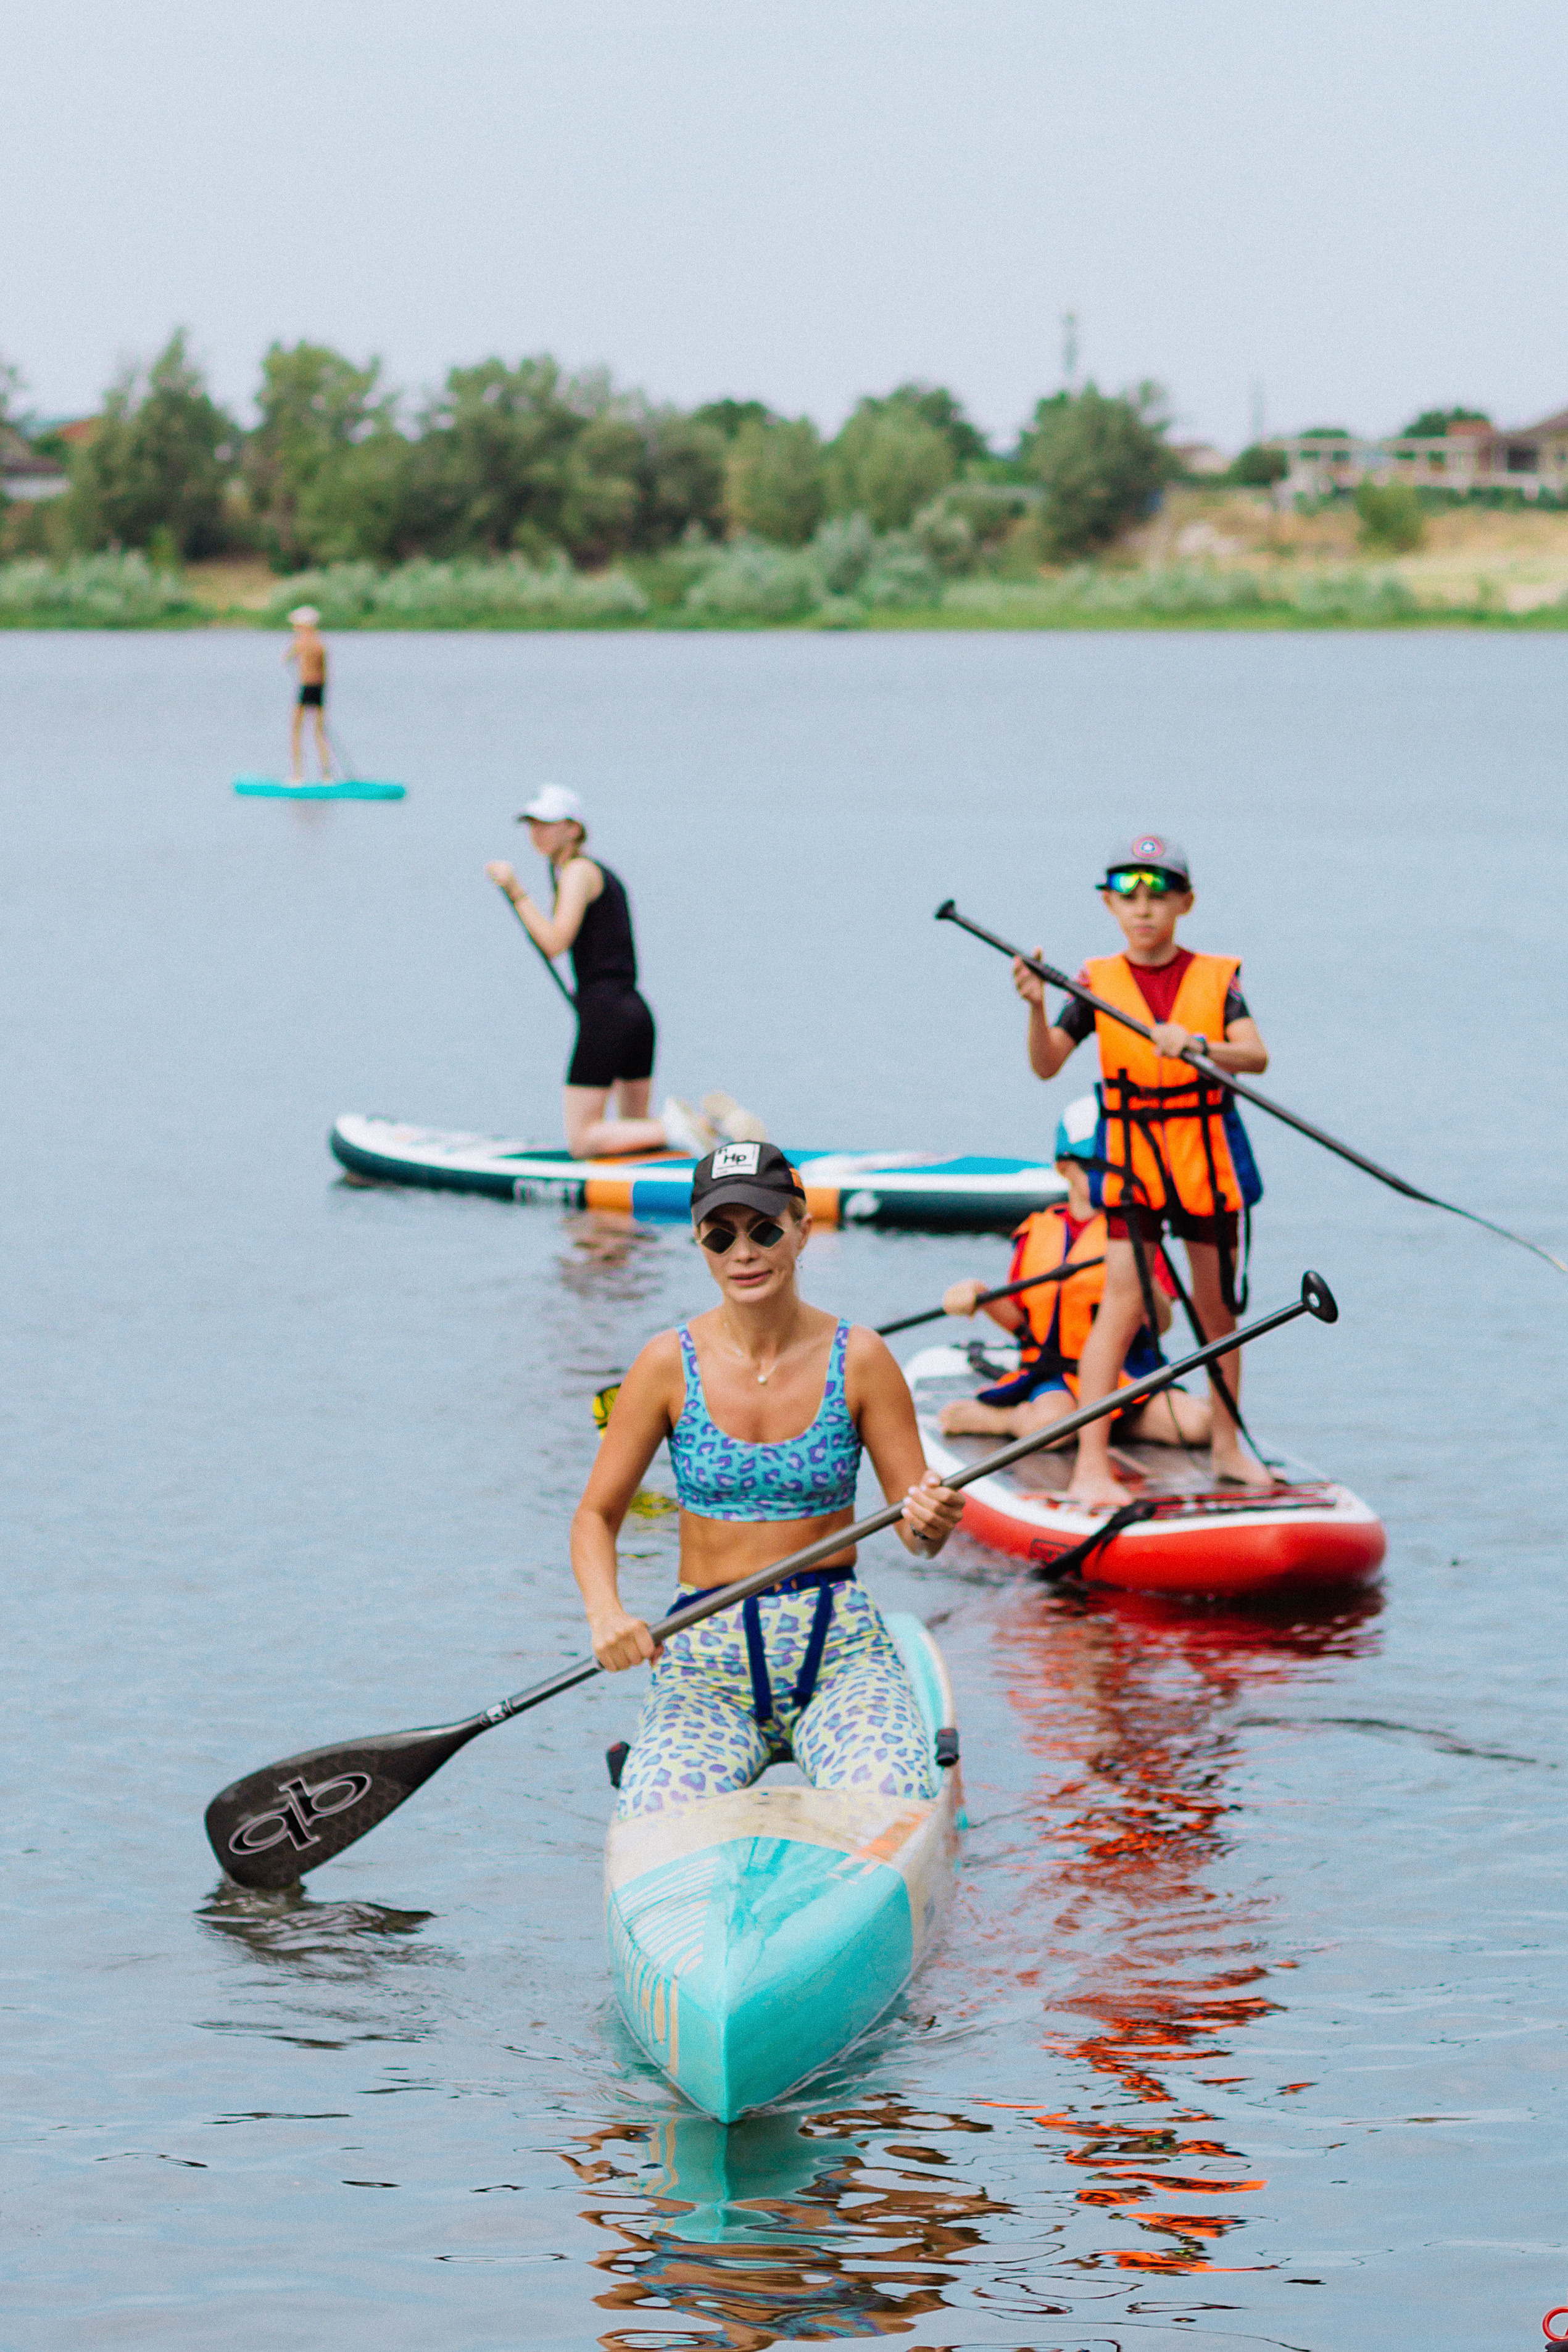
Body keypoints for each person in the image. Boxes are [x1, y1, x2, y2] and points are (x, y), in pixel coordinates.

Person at [572, 1140, 965, 1817]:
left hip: (839, 1653)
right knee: (654, 1808)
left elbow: (917, 1537)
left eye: (764, 1229)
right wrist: (605, 1611)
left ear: (802, 1229)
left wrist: (932, 1521)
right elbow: (595, 1517)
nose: (743, 1253)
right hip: (704, 1661)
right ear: (700, 1244)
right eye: (720, 1236)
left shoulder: (862, 1358)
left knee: (893, 1799)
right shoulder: (666, 1363)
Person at [1013, 833, 1271, 1508]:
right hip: (1132, 1166)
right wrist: (1038, 1005)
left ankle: (1227, 1446)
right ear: (1108, 903)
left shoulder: (1219, 979)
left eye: (1159, 891)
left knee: (1217, 1310)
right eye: (1128, 891)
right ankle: (1090, 1464)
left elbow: (1256, 1056)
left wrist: (1200, 1044)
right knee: (1121, 1307)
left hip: (1204, 1162)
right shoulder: (1096, 983)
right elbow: (1047, 1064)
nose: (1143, 906)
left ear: (1184, 902)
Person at [486, 784, 764, 1160]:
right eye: (532, 824)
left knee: (583, 1141)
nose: (537, 832)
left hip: (605, 1016)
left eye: (547, 824)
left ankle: (684, 1126)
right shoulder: (593, 872)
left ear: (573, 829)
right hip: (634, 1013)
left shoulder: (578, 871)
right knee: (635, 1141)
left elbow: (555, 942)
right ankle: (707, 1130)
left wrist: (516, 890)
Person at [936, 1094, 1211, 1448]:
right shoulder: (1035, 1233)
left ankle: (1101, 1426)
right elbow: (1024, 1323)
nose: (1112, 1178)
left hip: (1127, 1378)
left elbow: (1162, 1324)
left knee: (1199, 1425)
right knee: (1053, 1429)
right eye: (1099, 1167)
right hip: (1057, 1375)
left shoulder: (1139, 1233)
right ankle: (1003, 1419)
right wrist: (978, 1295)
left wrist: (1143, 1278)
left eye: (1119, 1165)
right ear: (1065, 1167)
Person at [284, 606, 330, 782]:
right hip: (320, 688)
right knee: (319, 731)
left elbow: (287, 658)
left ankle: (297, 775)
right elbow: (324, 670)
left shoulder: (301, 641)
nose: (295, 628)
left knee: (295, 730)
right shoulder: (321, 643)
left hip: (306, 687)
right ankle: (326, 775)